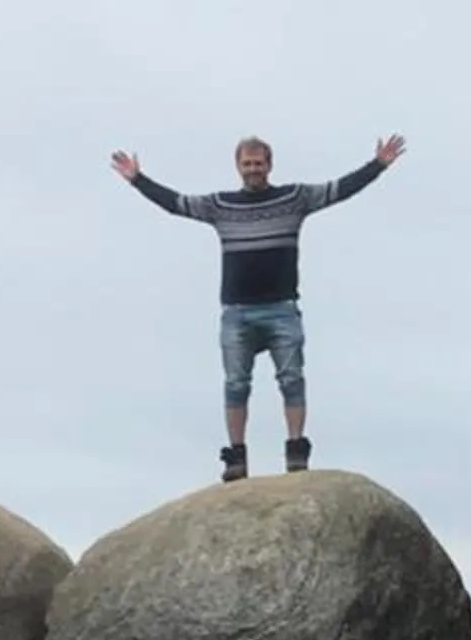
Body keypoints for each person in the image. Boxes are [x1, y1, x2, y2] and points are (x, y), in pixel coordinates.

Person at [111, 132, 405, 478]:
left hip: (282, 307)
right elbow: (177, 203)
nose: (253, 169)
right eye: (247, 164)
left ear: (270, 165)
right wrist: (138, 180)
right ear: (238, 167)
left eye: (259, 163)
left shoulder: (294, 198)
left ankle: (296, 448)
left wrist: (378, 166)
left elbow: (339, 189)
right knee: (236, 383)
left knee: (292, 378)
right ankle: (236, 456)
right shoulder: (221, 206)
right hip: (238, 311)